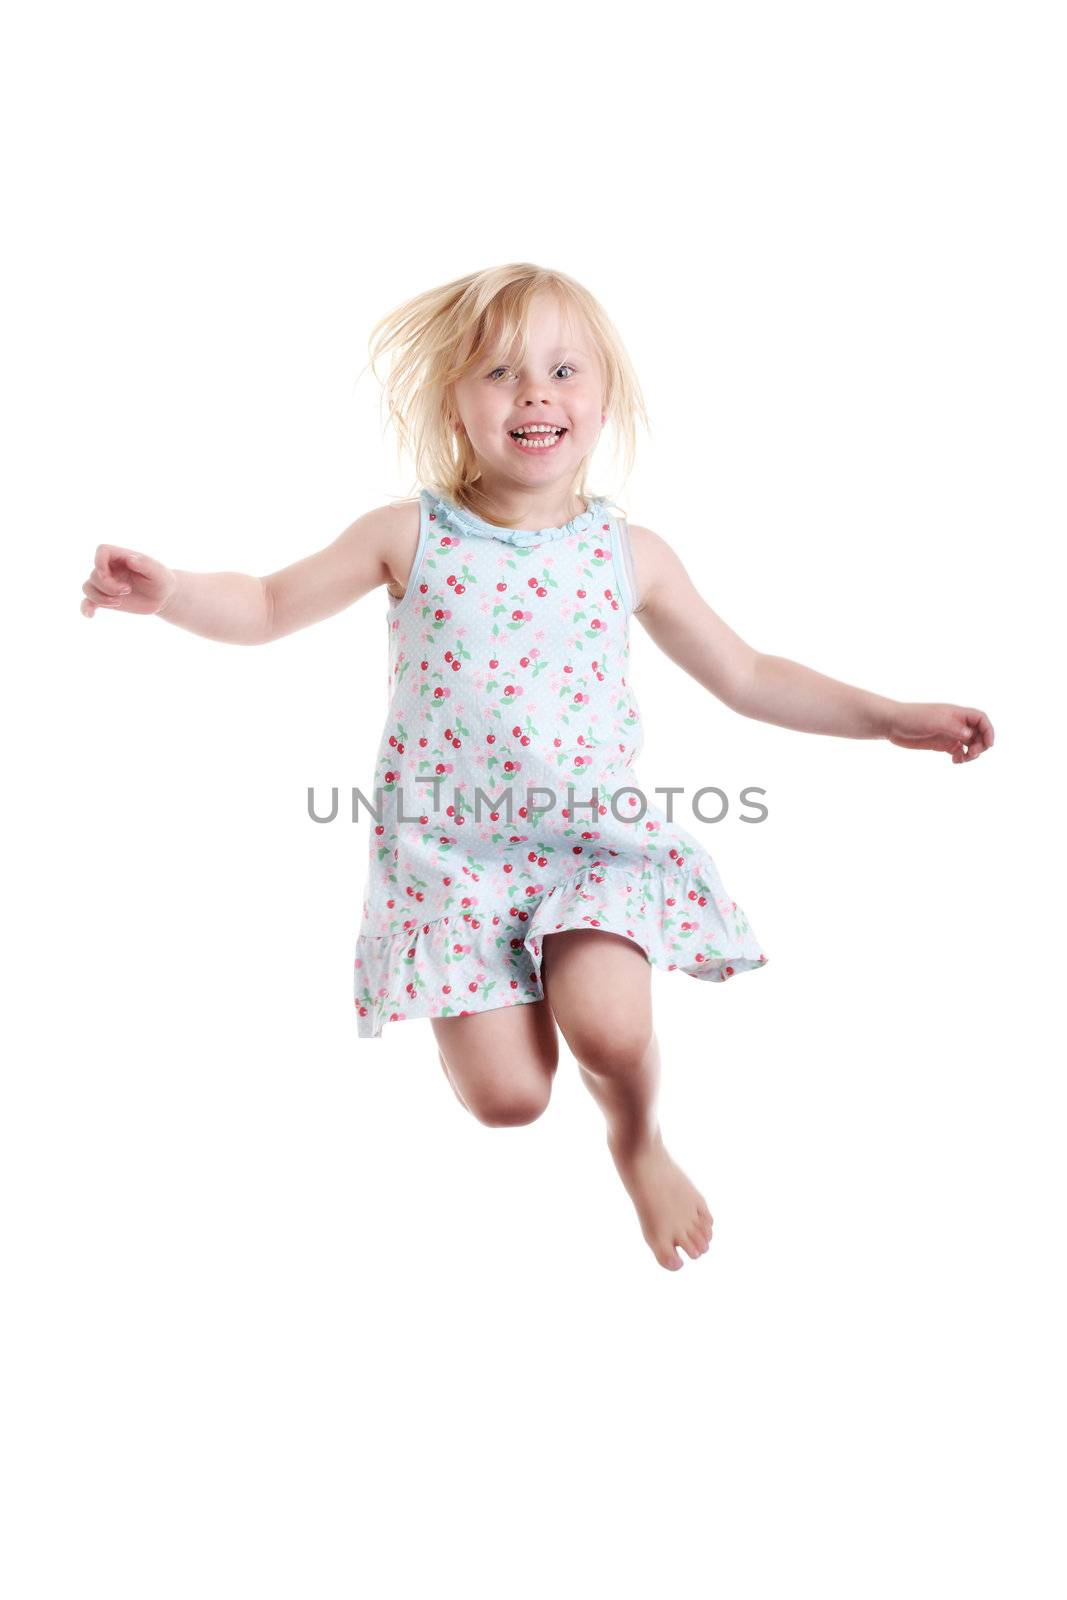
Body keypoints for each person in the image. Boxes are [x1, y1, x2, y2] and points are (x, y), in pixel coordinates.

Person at [79, 263, 994, 1271]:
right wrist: (169, 594)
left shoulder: (626, 551)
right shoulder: (407, 534)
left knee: (606, 1029)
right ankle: (510, 1028)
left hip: (586, 848)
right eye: (500, 373)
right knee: (508, 1101)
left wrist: (886, 716)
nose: (534, 394)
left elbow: (745, 673)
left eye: (563, 370)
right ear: (453, 404)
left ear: (603, 402)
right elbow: (259, 604)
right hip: (452, 862)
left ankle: (636, 1137)